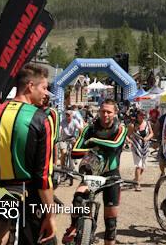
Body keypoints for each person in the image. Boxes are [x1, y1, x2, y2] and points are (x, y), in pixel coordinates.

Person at [0, 64, 56, 245]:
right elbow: (43, 176)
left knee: (0, 231)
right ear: (30, 86)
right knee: (46, 239)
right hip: (28, 194)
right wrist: (50, 214)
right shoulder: (41, 118)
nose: (46, 94)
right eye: (44, 88)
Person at [62, 99, 128, 245]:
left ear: (115, 113)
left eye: (109, 112)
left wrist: (93, 142)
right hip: (91, 173)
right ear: (99, 111)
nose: (105, 115)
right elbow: (75, 152)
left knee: (111, 223)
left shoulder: (121, 129)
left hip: (112, 174)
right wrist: (91, 149)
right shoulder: (89, 129)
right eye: (103, 111)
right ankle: (74, 227)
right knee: (79, 198)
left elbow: (115, 145)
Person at [127, 108, 153, 191]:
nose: (143, 116)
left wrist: (147, 137)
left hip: (145, 146)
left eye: (144, 115)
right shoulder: (132, 125)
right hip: (136, 147)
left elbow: (152, 133)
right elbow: (127, 135)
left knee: (143, 167)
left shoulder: (147, 123)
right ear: (137, 115)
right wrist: (130, 141)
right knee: (139, 165)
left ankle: (135, 179)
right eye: (141, 114)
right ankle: (137, 184)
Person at [154, 103, 166, 176]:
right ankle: (163, 172)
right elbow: (156, 128)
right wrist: (157, 139)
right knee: (162, 159)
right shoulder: (163, 118)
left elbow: (156, 128)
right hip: (163, 141)